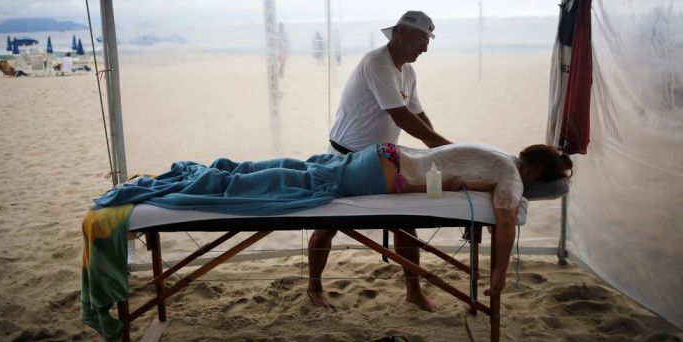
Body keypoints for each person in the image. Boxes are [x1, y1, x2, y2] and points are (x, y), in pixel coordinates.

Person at [94, 142, 572, 302]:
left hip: (380, 156)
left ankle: (218, 173)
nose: (530, 192)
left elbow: (463, 180)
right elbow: (506, 225)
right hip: (374, 174)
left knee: (288, 174)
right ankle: (192, 183)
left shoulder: (498, 157)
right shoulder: (510, 176)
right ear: (533, 172)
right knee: (283, 185)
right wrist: (496, 275)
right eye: (541, 186)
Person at [311, 10, 451, 311]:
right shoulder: (376, 62)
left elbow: (416, 113)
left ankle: (413, 291)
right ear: (399, 34)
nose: (425, 48)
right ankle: (314, 286)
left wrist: (439, 144)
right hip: (344, 158)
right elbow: (398, 114)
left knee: (405, 224)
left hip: (380, 160)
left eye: (428, 42)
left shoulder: (408, 71)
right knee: (327, 224)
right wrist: (440, 146)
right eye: (422, 40)